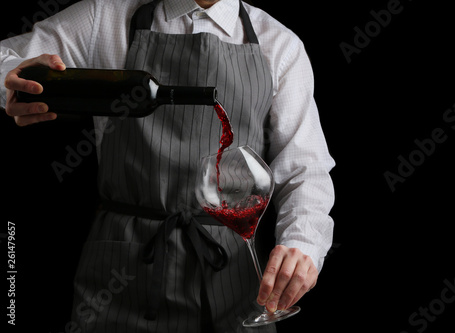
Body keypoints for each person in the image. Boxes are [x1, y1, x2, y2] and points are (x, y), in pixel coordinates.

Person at [1, 0, 335, 332]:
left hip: (236, 287)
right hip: (120, 279)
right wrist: (13, 81)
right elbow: (5, 61)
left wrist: (302, 244)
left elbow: (305, 170)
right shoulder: (103, 16)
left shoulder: (279, 43)